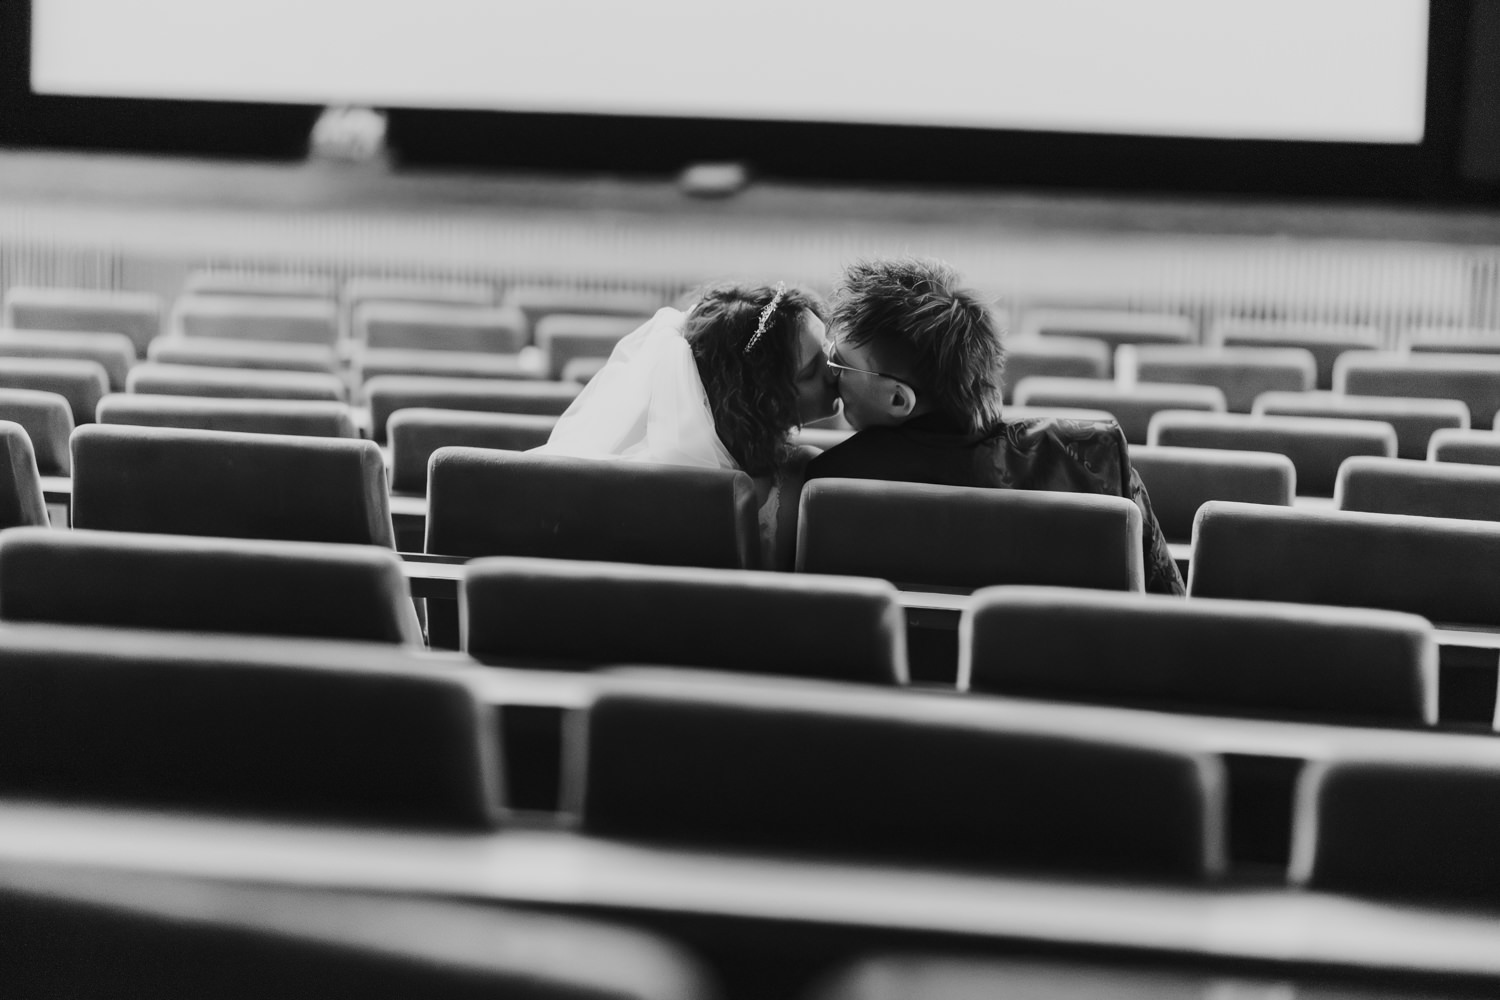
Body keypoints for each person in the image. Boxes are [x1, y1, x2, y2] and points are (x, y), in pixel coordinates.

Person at [806, 257, 1185, 595]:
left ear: (898, 399)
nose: (829, 373)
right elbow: (1167, 604)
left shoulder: (830, 480)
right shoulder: (1095, 453)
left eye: (839, 363)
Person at [534, 281, 838, 569]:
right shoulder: (804, 474)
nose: (834, 366)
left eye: (827, 344)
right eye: (811, 370)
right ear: (762, 398)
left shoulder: (635, 471)